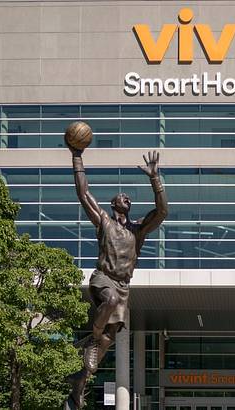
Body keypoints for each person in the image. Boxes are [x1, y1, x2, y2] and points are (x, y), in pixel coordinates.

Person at [65, 148, 168, 409]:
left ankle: (80, 382)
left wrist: (155, 179)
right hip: (103, 278)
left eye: (128, 197)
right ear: (113, 205)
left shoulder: (138, 230)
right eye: (121, 196)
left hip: (124, 286)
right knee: (107, 302)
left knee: (110, 337)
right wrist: (77, 156)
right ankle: (92, 338)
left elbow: (162, 211)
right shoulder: (104, 222)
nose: (127, 197)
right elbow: (83, 193)